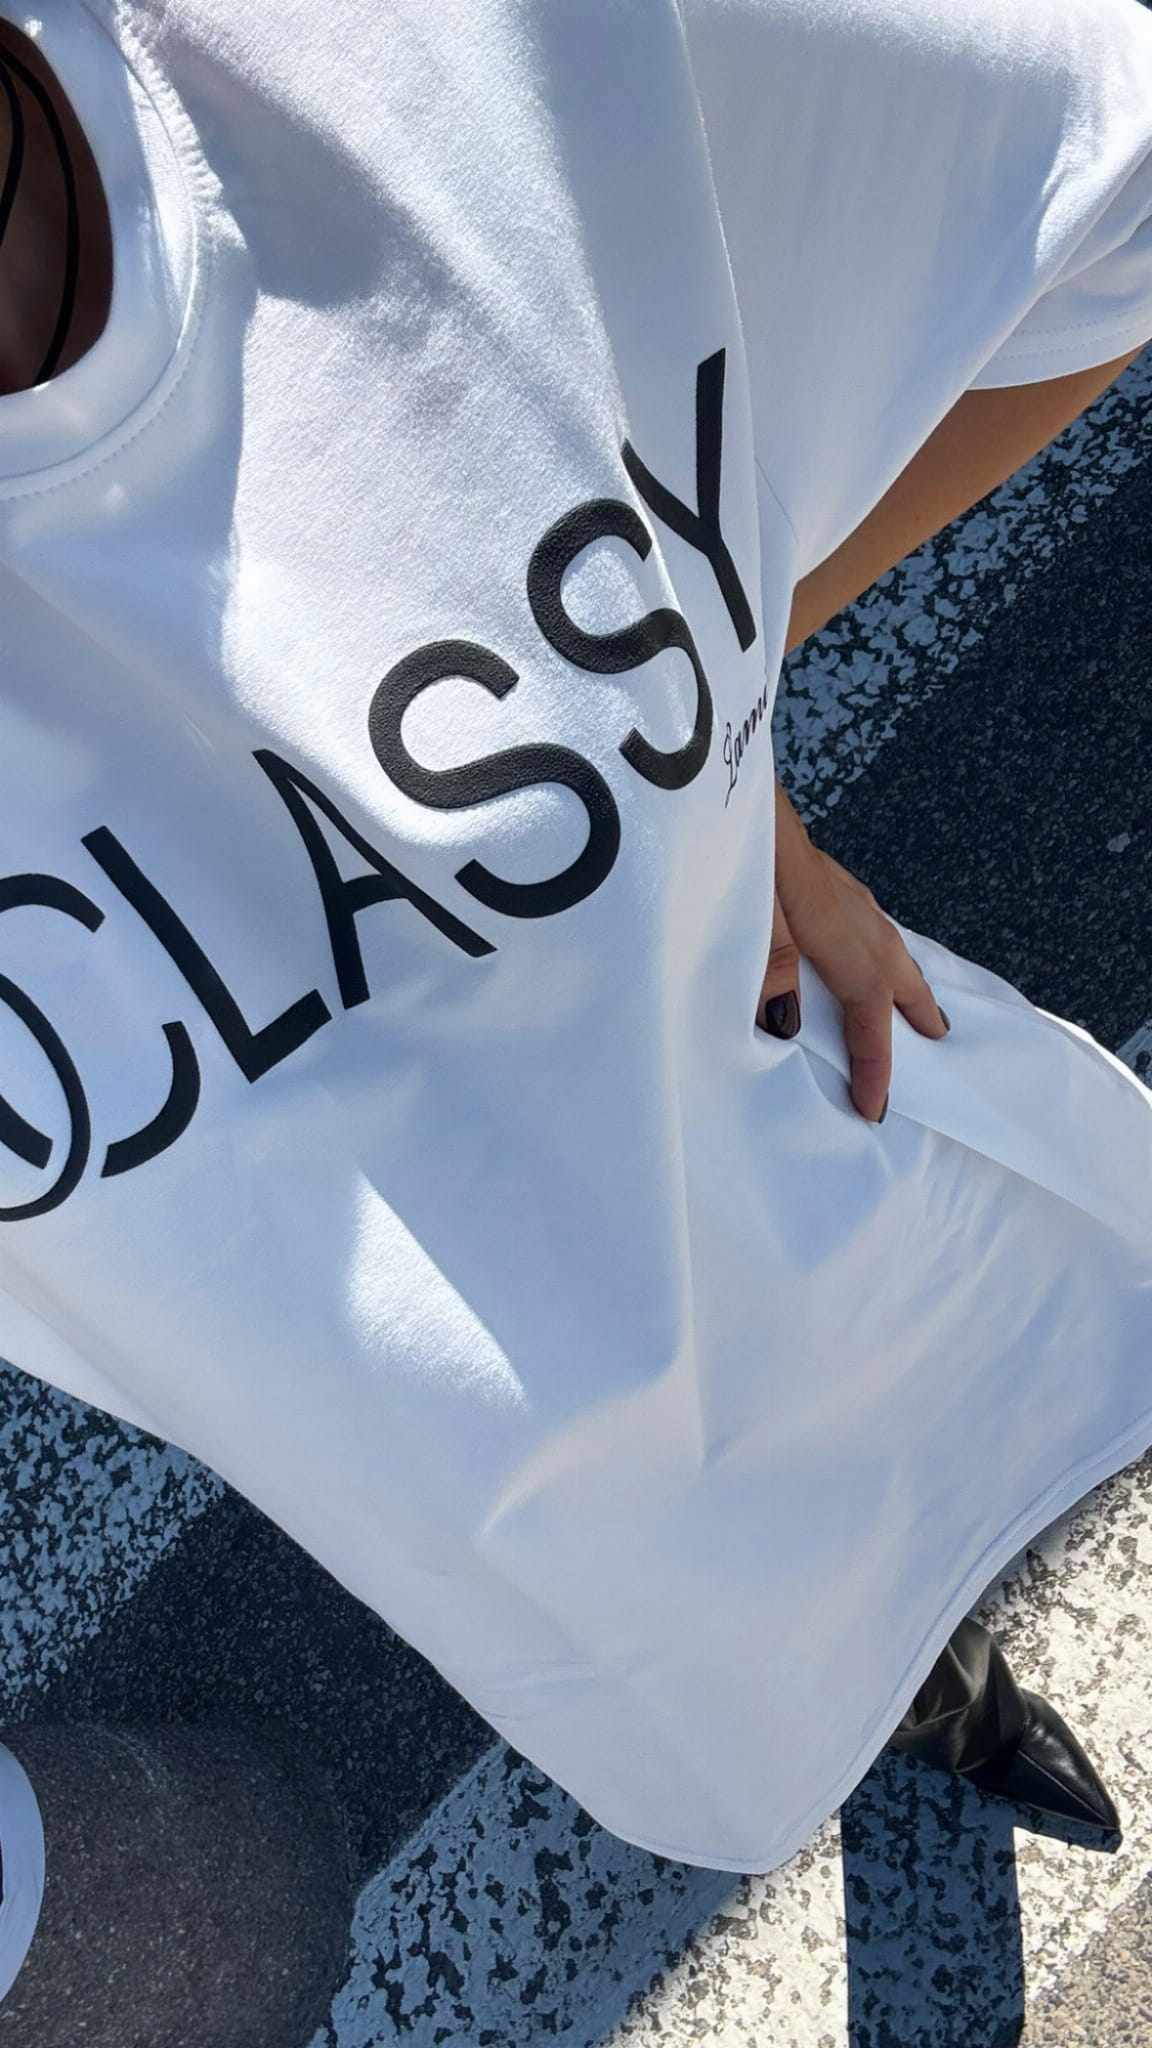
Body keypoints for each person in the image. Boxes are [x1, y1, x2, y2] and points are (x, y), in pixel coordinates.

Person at [0, 0, 1151, 2027]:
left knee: (942, 1448)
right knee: (825, 1656)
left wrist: (703, 705)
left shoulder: (390, 52)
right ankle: (936, 1705)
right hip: (584, 1563)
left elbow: (1097, 197)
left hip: (827, 1175)